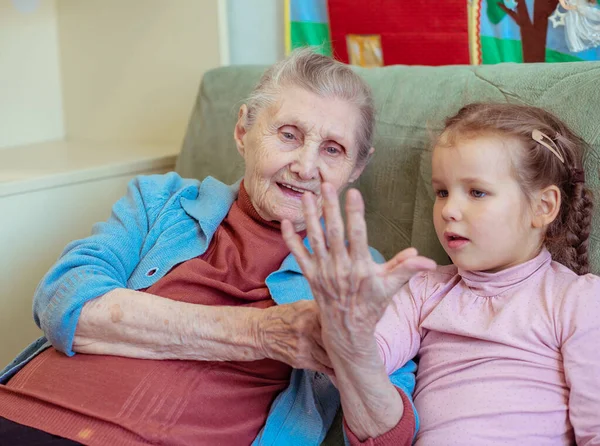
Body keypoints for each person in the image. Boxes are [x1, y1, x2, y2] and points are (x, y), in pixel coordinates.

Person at [0, 49, 432, 446]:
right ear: (244, 130)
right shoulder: (161, 201)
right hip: (23, 413)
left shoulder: (365, 277)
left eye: (333, 149)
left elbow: (388, 436)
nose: (305, 166)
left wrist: (354, 357)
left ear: (356, 166)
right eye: (288, 134)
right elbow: (63, 301)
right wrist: (261, 333)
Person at [285, 102, 600, 445]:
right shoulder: (424, 288)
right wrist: (345, 324)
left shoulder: (577, 299)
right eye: (442, 192)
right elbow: (367, 358)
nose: (449, 210)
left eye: (477, 192)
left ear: (543, 207)